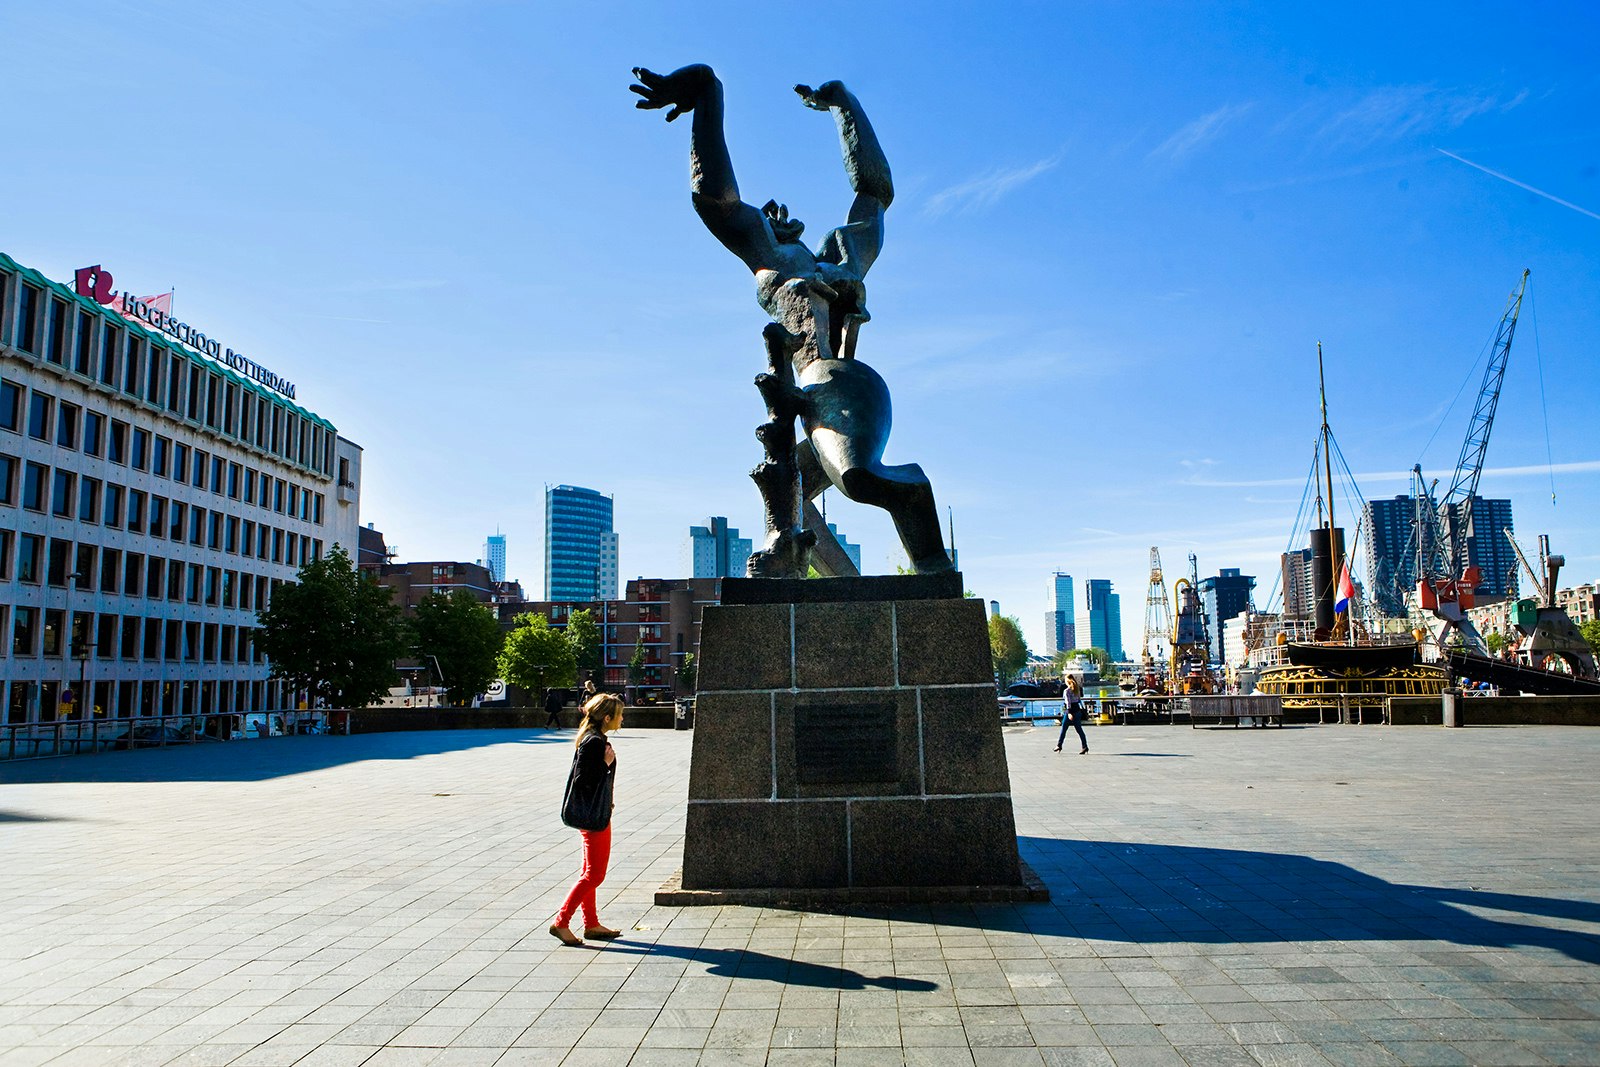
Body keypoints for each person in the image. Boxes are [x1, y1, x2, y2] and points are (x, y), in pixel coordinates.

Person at [550, 693, 625, 946]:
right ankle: (561, 922)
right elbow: (582, 780)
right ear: (607, 718)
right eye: (619, 715)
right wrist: (605, 764)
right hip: (593, 816)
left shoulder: (593, 738)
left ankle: (591, 923)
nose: (622, 719)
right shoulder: (593, 742)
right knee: (594, 875)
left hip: (596, 813)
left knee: (589, 872)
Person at [1055, 676, 1087, 754]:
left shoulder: (1067, 691)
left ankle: (1059, 745)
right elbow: (1079, 700)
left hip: (1070, 711)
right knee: (1079, 729)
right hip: (1077, 710)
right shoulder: (1077, 689)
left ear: (1067, 681)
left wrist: (1069, 712)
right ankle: (1085, 746)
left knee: (1064, 729)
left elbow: (1068, 702)